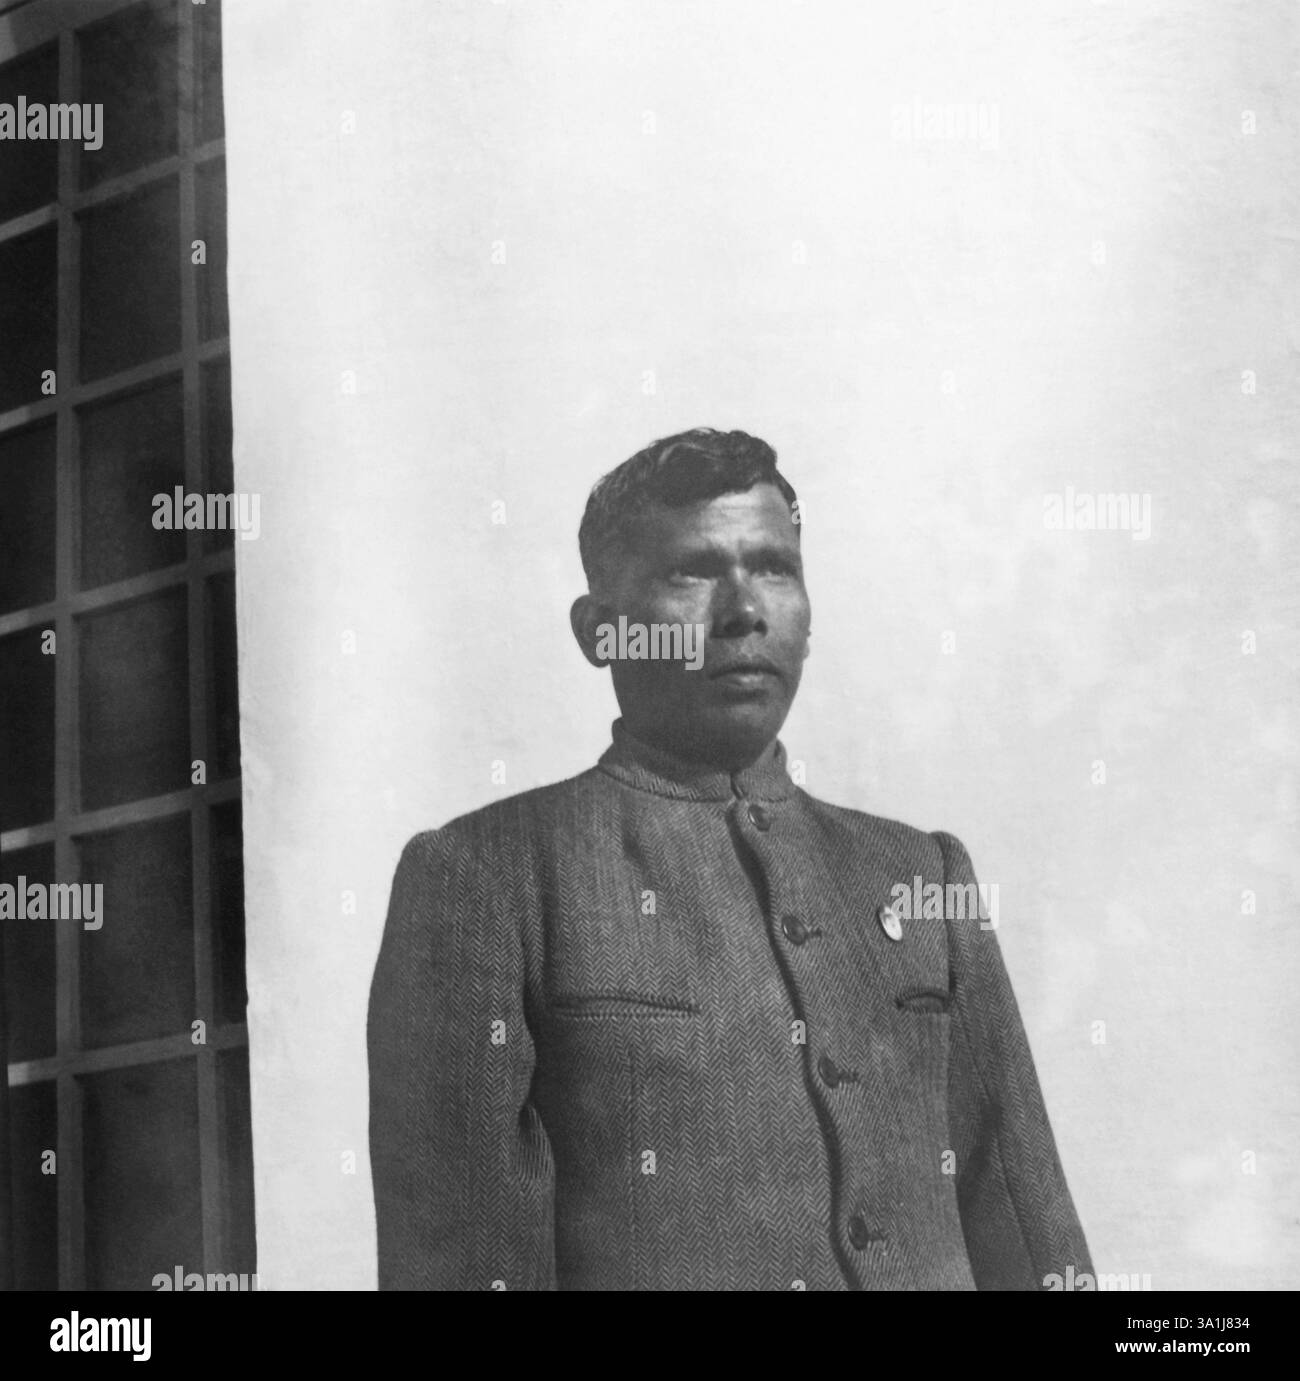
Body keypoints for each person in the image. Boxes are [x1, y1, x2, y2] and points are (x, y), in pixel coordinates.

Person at [367, 426, 1092, 1290]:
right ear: (601, 632)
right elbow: (461, 1265)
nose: (746, 608)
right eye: (693, 570)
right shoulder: (485, 877)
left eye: (775, 567)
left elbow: (1028, 1227)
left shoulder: (923, 873)